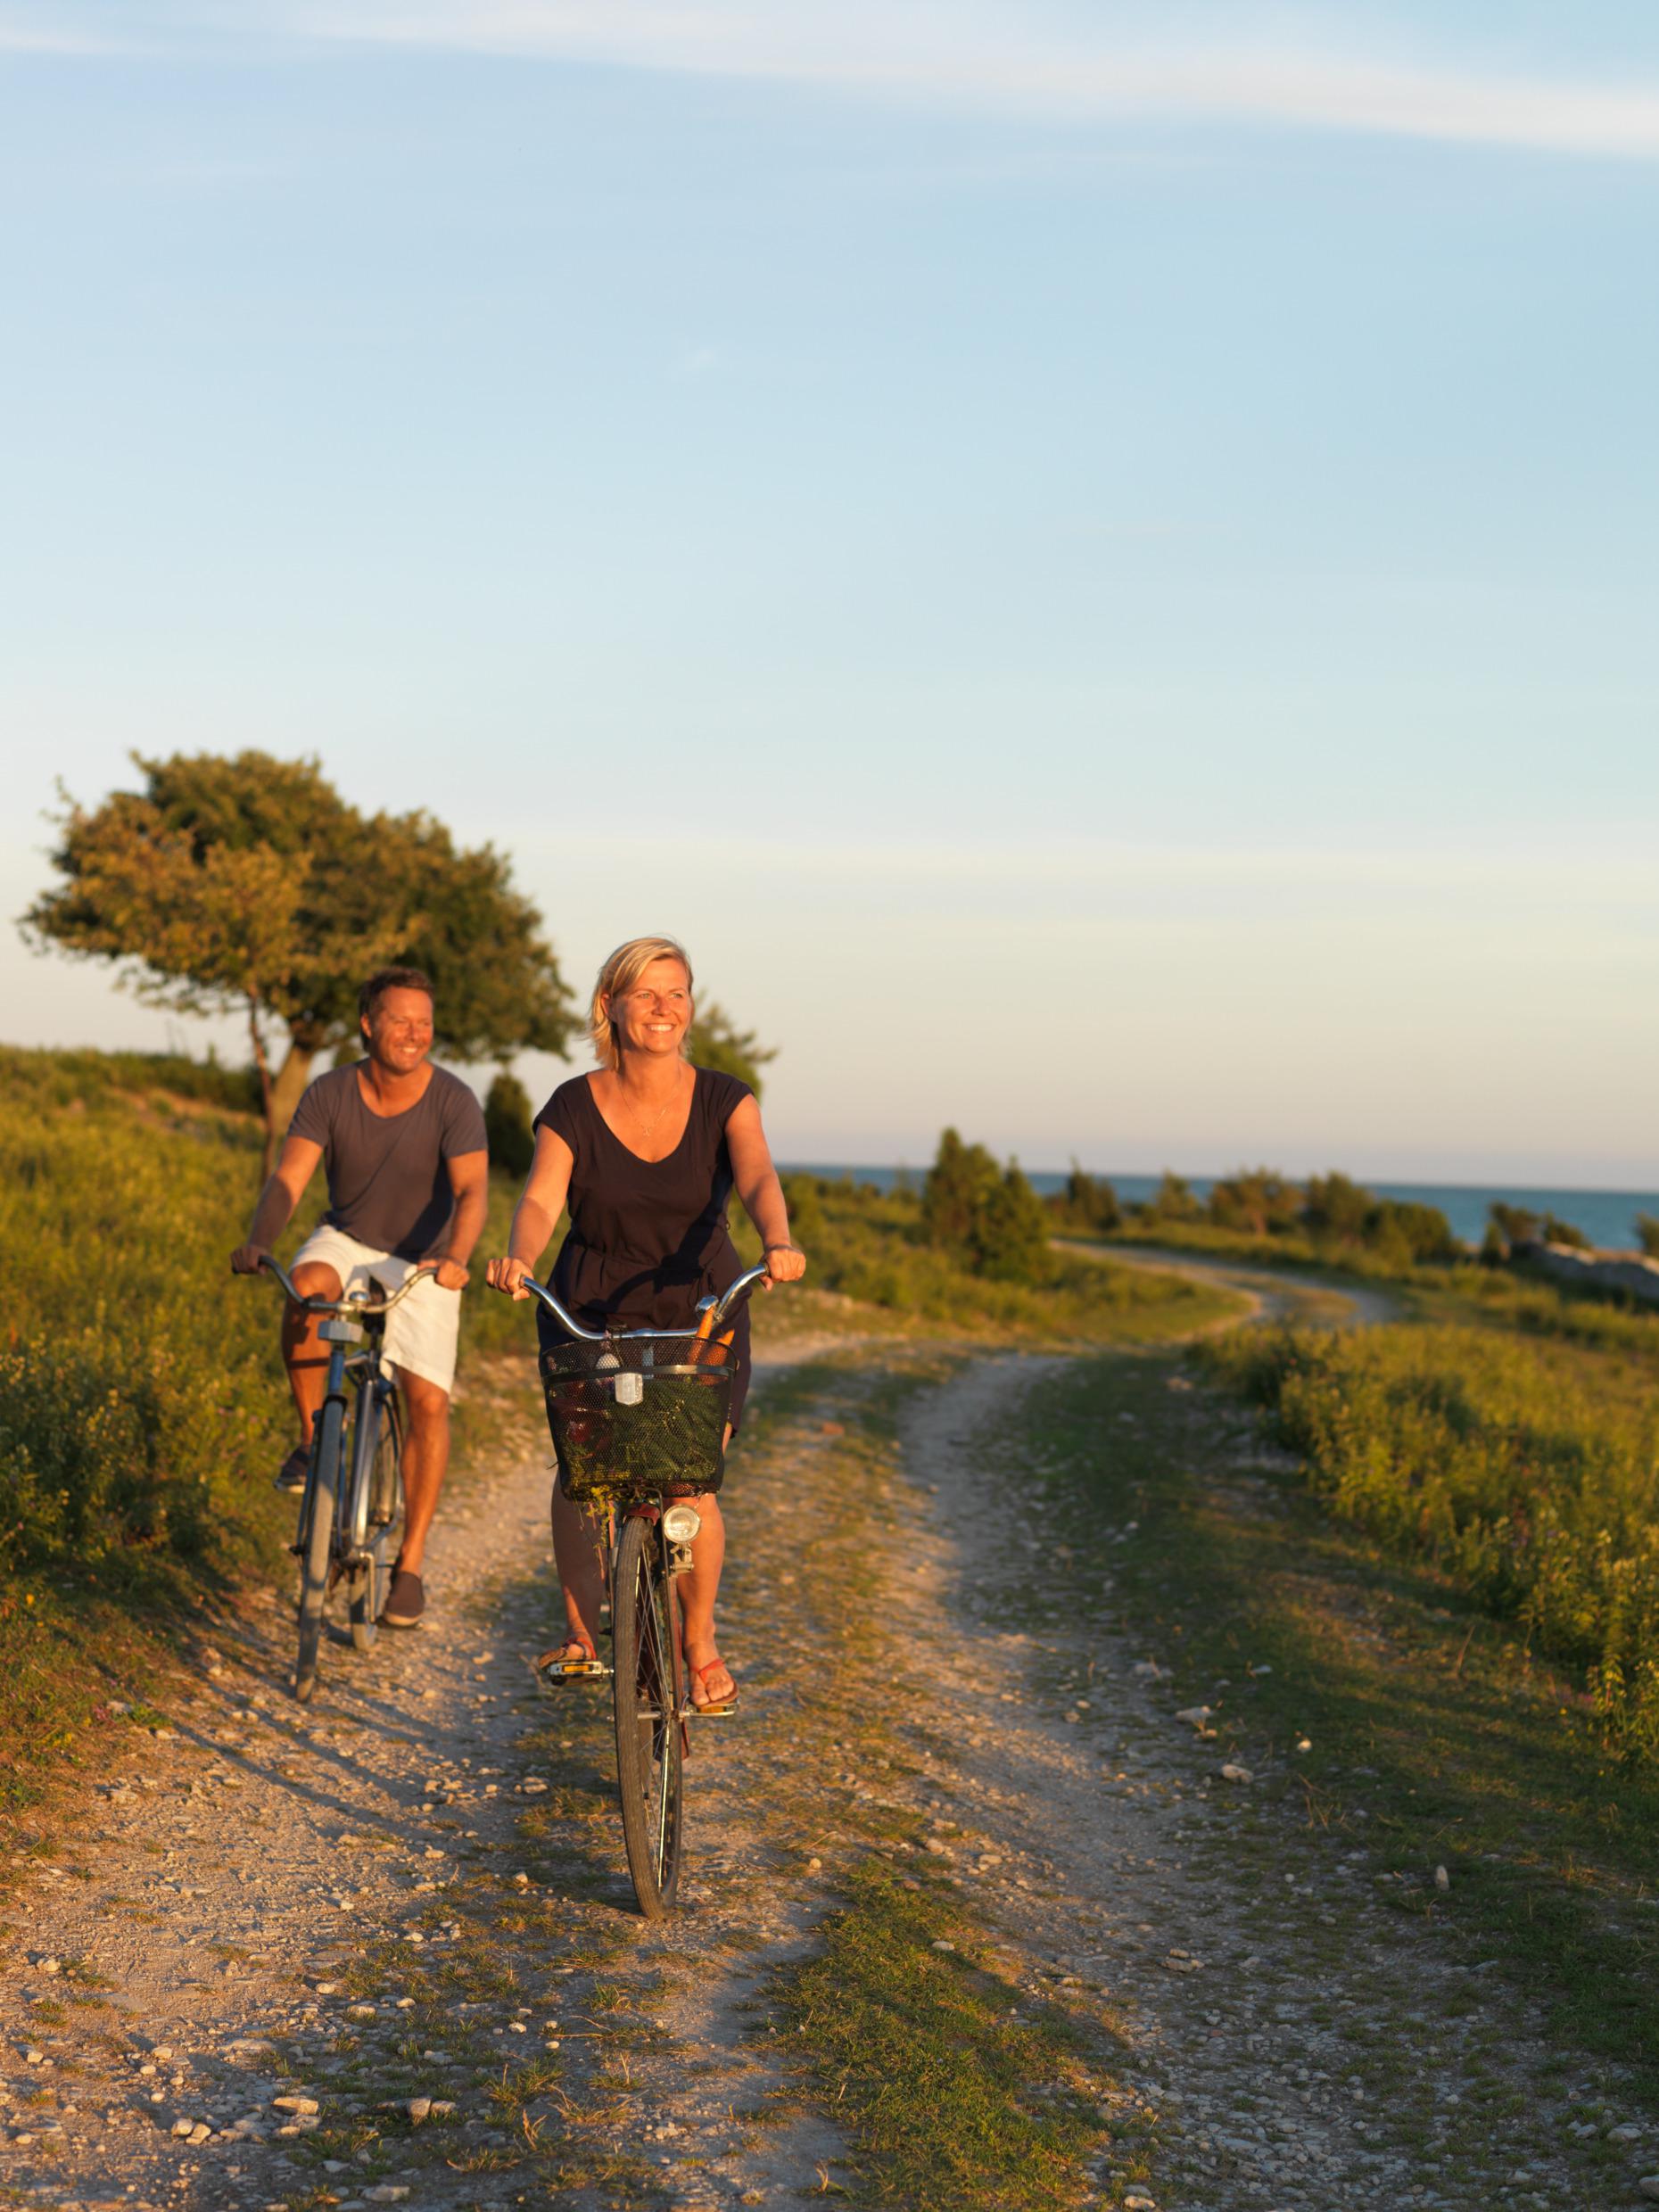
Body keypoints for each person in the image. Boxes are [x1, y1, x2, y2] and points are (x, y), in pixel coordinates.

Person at [485, 935, 805, 1712]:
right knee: (582, 1471)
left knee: (690, 1482)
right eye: (646, 993)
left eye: (677, 993)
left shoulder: (727, 1099)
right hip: (591, 1305)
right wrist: (519, 1255)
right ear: (611, 1007)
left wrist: (778, 1239)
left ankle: (699, 1642)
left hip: (700, 1306)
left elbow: (757, 1172)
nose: (664, 1008)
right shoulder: (571, 1105)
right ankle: (581, 1633)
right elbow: (540, 1198)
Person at [230, 966, 489, 1629]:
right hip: (347, 1238)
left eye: (424, 1022)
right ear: (368, 1024)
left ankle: (409, 1567)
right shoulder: (330, 1092)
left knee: (427, 1401)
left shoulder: (454, 1100)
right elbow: (290, 1178)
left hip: (426, 1259)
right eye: (400, 1019)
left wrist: (456, 1257)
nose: (415, 1033)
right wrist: (259, 1242)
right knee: (307, 1291)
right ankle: (317, 1438)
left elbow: (471, 1193)